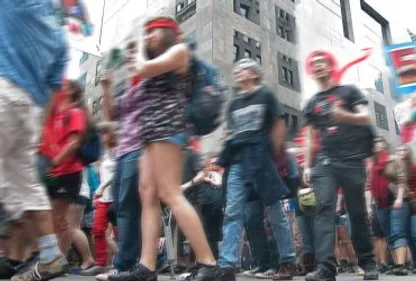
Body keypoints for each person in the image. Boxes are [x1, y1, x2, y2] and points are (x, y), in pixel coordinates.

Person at [109, 16, 221, 281]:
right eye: (146, 33)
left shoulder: (180, 52)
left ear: (171, 32)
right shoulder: (153, 62)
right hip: (149, 135)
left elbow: (142, 69)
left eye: (154, 31)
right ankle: (146, 267)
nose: (148, 37)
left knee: (170, 193)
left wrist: (136, 47)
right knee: (148, 195)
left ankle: (208, 263)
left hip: (169, 129)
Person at [0, 1, 70, 281]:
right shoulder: (60, 36)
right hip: (31, 110)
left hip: (4, 90)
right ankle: (51, 254)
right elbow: (55, 89)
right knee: (27, 185)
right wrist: (39, 128)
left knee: (22, 185)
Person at [216, 58, 295, 281]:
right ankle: (227, 264)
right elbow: (230, 133)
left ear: (254, 73)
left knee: (275, 213)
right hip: (238, 163)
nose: (238, 72)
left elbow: (279, 125)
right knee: (233, 212)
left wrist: (273, 154)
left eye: (243, 68)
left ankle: (288, 261)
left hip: (262, 160)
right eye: (237, 69)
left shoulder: (266, 95)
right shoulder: (232, 104)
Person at [302, 50, 378, 281]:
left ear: (331, 65)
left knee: (357, 212)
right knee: (323, 210)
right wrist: (307, 165)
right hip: (324, 162)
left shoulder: (349, 91)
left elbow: (366, 118)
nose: (318, 66)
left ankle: (368, 262)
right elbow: (309, 136)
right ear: (311, 70)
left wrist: (345, 116)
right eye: (314, 64)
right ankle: (325, 267)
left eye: (322, 62)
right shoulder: (312, 103)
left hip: (352, 160)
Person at [97, 41, 144, 281]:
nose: (129, 56)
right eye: (128, 53)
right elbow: (113, 116)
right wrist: (107, 87)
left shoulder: (150, 76)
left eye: (134, 52)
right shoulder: (128, 83)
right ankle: (129, 263)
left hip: (141, 149)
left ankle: (127, 264)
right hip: (123, 151)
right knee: (124, 208)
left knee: (128, 208)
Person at [39, 80, 88, 255]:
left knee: (54, 218)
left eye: (65, 86)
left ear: (72, 91)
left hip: (68, 173)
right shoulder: (54, 114)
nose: (59, 88)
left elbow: (73, 143)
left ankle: (51, 258)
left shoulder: (74, 113)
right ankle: (55, 257)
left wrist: (54, 161)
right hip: (53, 174)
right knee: (52, 217)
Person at [365, 136, 409, 276]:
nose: (377, 146)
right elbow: (369, 187)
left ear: (384, 146)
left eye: (380, 144)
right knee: (389, 235)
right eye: (375, 144)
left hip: (396, 201)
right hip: (380, 204)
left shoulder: (394, 159)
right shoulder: (371, 165)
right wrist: (368, 206)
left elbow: (401, 180)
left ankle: (401, 265)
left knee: (397, 232)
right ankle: (396, 264)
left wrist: (400, 198)